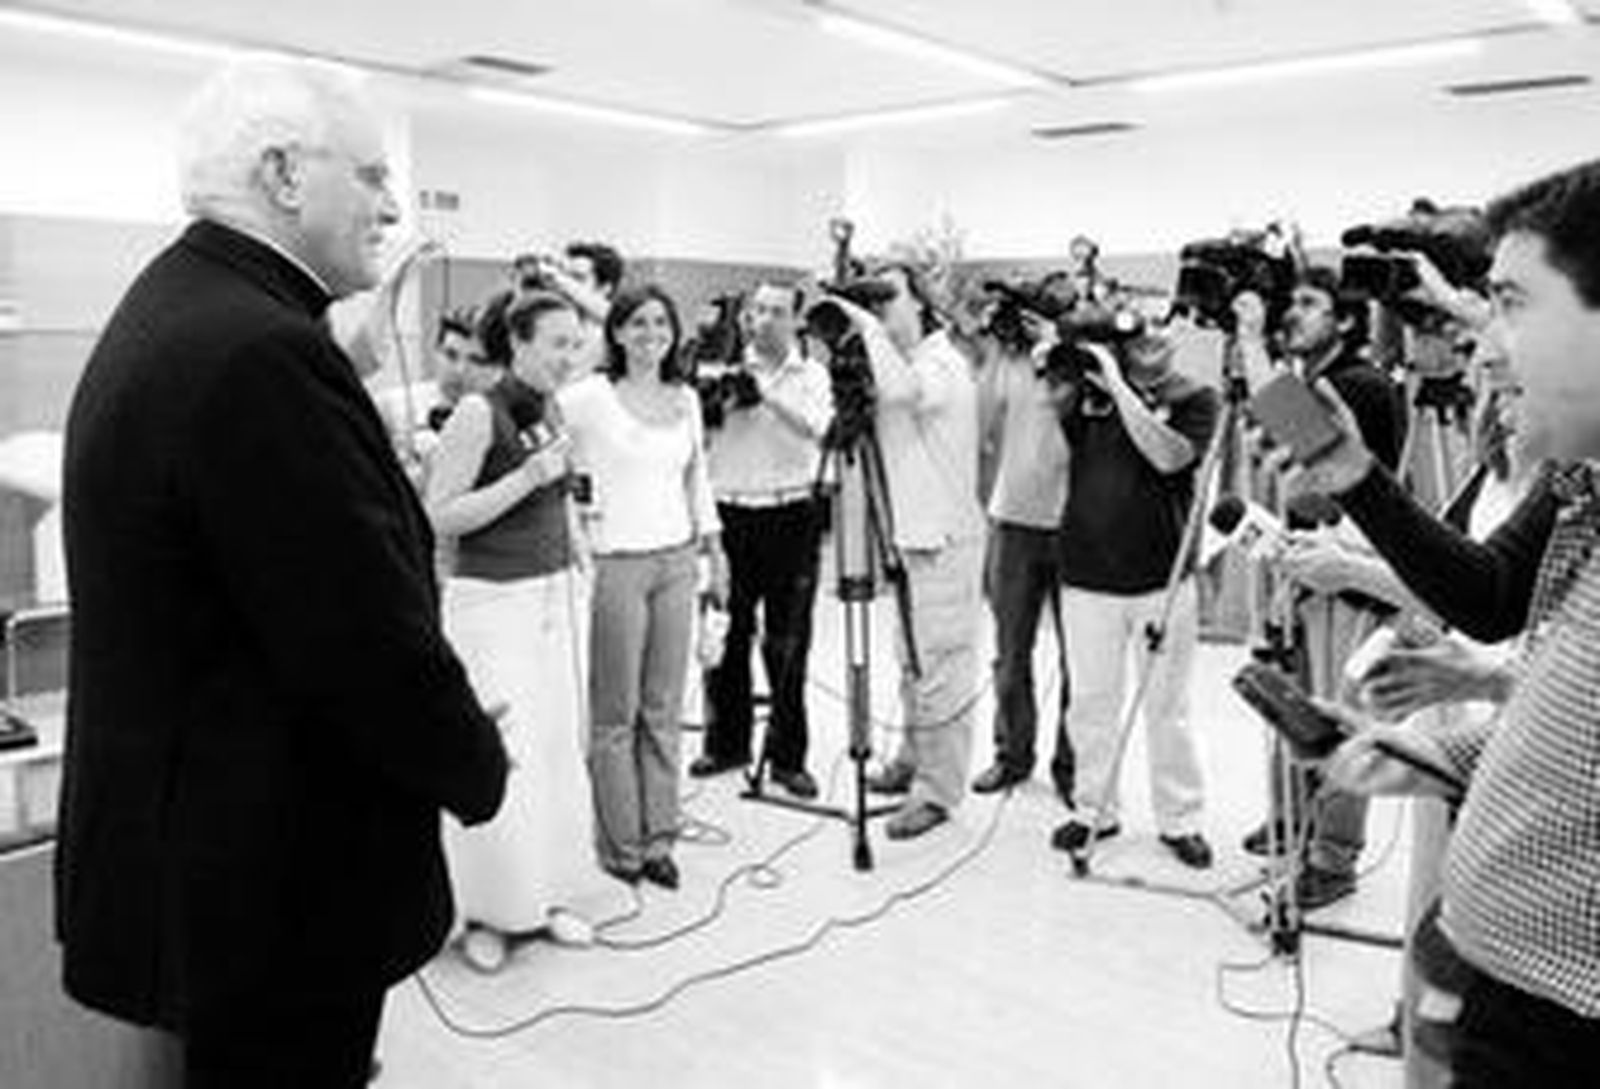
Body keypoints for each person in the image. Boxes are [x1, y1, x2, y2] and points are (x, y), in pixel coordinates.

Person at [56, 60, 509, 1088]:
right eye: (372, 175)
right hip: (267, 879)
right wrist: (471, 760)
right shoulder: (261, 354)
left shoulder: (183, 307)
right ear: (284, 174)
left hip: (202, 857)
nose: (392, 206)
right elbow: (360, 635)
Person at [1302, 158, 1600, 1088]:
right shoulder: (1583, 482)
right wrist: (1437, 755)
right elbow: (1504, 612)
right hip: (1502, 979)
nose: (1486, 351)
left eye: (1508, 305)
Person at [425, 289, 614, 953]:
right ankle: (488, 911)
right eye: (557, 343)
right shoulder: (479, 412)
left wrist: (578, 548)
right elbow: (439, 514)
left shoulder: (551, 406)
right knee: (505, 756)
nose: (569, 356)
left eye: (575, 345)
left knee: (556, 749)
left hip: (553, 597)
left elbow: (560, 494)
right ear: (518, 342)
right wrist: (527, 477)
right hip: (490, 604)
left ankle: (544, 892)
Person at [1238, 268, 1410, 907]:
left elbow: (1301, 439)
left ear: (1344, 320)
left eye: (1310, 304)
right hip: (1314, 564)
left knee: (1341, 717)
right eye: (1293, 302)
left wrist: (1250, 341)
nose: (1294, 313)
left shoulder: (1359, 384)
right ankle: (1294, 821)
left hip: (1355, 574)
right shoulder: (1315, 379)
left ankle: (1333, 859)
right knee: (1296, 704)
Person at [557, 285, 727, 889]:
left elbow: (697, 480)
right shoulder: (587, 398)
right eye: (637, 323)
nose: (651, 333)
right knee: (615, 715)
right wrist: (575, 535)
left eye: (661, 322)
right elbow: (548, 456)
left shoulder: (686, 398)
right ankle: (621, 847)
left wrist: (715, 551)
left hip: (676, 562)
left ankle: (660, 840)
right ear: (617, 332)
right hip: (616, 566)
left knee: (663, 709)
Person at [1048, 330, 1220, 870]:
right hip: (1086, 575)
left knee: (1168, 707)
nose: (1149, 339)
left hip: (1161, 580)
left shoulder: (1197, 398)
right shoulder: (1089, 396)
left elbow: (1169, 457)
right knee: (1090, 703)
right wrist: (1062, 361)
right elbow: (1049, 412)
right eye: (1136, 333)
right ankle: (1093, 810)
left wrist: (1119, 387)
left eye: (1158, 328)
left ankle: (1180, 819)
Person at [838, 263, 986, 841]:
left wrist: (863, 324)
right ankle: (912, 758)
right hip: (909, 537)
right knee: (912, 663)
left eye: (889, 298)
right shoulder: (896, 362)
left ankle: (938, 792)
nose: (880, 310)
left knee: (941, 670)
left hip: (945, 540)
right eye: (872, 301)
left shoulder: (940, 363)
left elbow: (903, 392)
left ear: (921, 303)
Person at [694, 280, 831, 799]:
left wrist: (767, 396)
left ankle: (788, 757)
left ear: (796, 320)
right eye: (758, 310)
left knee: (788, 641)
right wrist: (720, 398)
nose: (765, 319)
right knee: (727, 635)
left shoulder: (812, 374)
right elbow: (698, 434)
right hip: (729, 514)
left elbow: (819, 429)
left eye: (777, 311)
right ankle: (726, 744)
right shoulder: (720, 366)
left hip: (791, 514)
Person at [969, 311, 1075, 798]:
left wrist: (1055, 353)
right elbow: (978, 425)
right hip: (1012, 522)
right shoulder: (1008, 363)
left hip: (1075, 525)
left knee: (1081, 660)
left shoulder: (1080, 361)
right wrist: (996, 352)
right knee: (1010, 654)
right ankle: (1012, 755)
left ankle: (1072, 766)